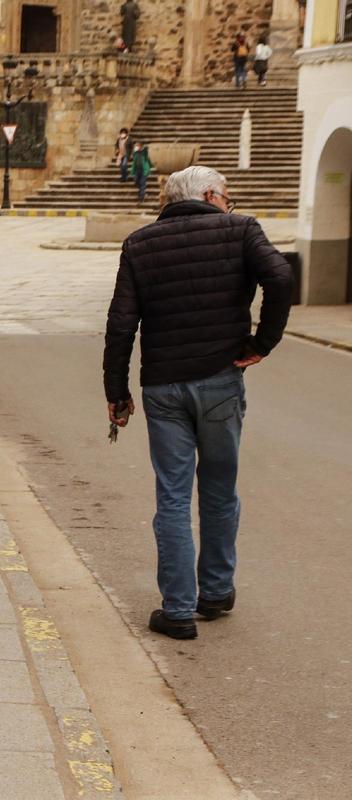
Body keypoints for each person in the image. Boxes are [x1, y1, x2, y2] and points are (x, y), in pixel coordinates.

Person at [103, 165, 293, 640]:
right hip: (220, 381)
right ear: (210, 194)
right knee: (219, 488)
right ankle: (215, 591)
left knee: (172, 495)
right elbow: (281, 278)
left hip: (163, 388)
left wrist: (117, 392)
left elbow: (121, 325)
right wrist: (261, 343)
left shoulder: (140, 244)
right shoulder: (241, 229)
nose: (230, 202)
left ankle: (178, 610)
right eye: (227, 195)